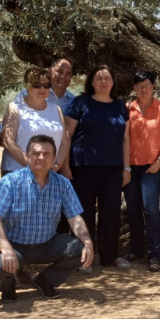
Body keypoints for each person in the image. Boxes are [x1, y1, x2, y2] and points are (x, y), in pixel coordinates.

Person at [0, 135, 94, 302]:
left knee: (79, 249)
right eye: (36, 153)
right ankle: (8, 285)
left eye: (46, 154)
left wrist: (88, 242)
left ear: (54, 158)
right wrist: (5, 248)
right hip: (15, 246)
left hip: (46, 245)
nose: (41, 157)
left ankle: (45, 281)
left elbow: (75, 218)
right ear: (27, 156)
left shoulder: (62, 184)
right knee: (0, 264)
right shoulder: (10, 182)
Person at [64, 65, 131, 269]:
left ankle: (110, 256)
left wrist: (126, 168)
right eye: (99, 78)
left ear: (113, 82)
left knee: (111, 212)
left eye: (107, 78)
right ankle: (84, 257)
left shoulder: (120, 106)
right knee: (83, 212)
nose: (103, 82)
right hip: (83, 166)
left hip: (112, 168)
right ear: (91, 82)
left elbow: (126, 139)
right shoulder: (80, 102)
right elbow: (67, 135)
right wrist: (65, 165)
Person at [125, 70, 160, 271]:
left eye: (146, 85)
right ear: (134, 88)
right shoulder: (127, 109)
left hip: (152, 167)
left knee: (151, 210)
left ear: (153, 86)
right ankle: (136, 249)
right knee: (133, 210)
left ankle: (154, 254)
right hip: (130, 167)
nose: (143, 89)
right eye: (139, 86)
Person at [1, 66, 70, 177]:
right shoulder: (15, 108)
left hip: (50, 174)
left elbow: (64, 143)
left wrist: (57, 166)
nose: (42, 89)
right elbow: (8, 141)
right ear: (28, 86)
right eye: (37, 85)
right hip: (18, 173)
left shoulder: (56, 109)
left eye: (46, 85)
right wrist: (33, 166)